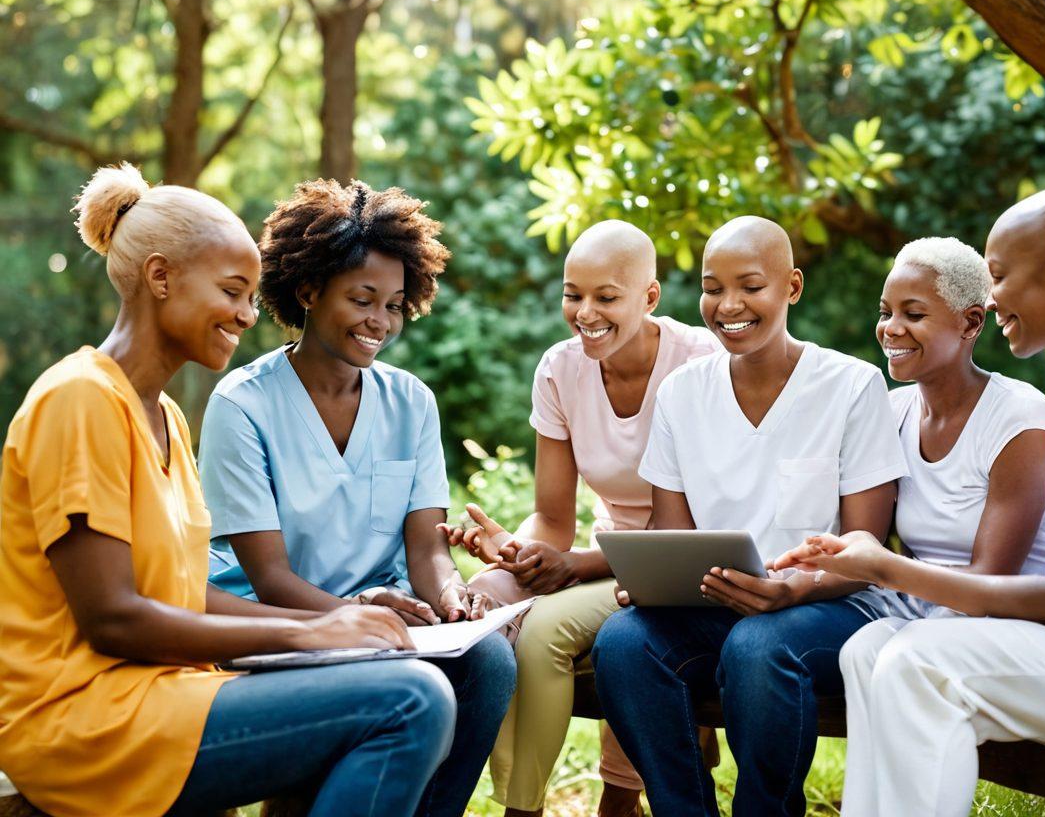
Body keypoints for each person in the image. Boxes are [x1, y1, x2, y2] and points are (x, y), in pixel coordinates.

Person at [0, 163, 455, 817]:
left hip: (163, 695)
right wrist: (310, 634)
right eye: (232, 291)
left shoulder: (163, 417)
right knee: (410, 700)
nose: (247, 315)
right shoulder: (79, 401)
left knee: (405, 680)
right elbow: (113, 618)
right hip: (83, 720)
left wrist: (338, 625)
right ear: (161, 278)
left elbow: (190, 595)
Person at [774, 187, 1045, 817]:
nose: (990, 298)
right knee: (868, 651)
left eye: (1000, 276)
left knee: (921, 666)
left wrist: (883, 566)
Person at [199, 179, 515, 817]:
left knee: (489, 662)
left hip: (384, 625)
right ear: (310, 291)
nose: (380, 322)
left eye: (395, 305)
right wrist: (356, 619)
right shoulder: (242, 405)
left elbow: (427, 551)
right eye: (362, 299)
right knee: (402, 686)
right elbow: (271, 578)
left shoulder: (411, 402)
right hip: (278, 624)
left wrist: (452, 597)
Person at [590, 216, 909, 817]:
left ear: (792, 287)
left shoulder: (851, 385)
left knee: (759, 646)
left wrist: (791, 590)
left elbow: (867, 556)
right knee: (624, 643)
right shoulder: (684, 392)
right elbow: (672, 531)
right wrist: (656, 583)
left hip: (828, 606)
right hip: (714, 603)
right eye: (713, 287)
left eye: (750, 286)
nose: (727, 305)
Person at [442, 220, 719, 817]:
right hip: (607, 551)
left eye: (606, 296)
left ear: (649, 297)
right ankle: (482, 790)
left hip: (685, 560)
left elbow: (702, 522)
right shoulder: (560, 368)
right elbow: (551, 515)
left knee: (546, 631)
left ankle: (555, 804)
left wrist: (578, 565)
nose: (585, 311)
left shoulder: (701, 361)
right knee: (485, 597)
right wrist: (517, 550)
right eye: (573, 294)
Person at [880, 235, 1045, 586]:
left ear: (972, 323)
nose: (891, 329)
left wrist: (878, 569)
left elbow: (992, 580)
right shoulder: (891, 411)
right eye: (886, 312)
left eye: (913, 314)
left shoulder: (1019, 418)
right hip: (914, 607)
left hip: (997, 617)